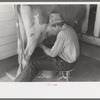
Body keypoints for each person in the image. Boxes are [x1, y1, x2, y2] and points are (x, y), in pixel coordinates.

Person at [15, 13, 80, 82]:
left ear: (57, 25)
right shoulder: (69, 28)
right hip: (72, 60)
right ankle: (27, 74)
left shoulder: (62, 34)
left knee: (33, 64)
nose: (53, 30)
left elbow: (52, 54)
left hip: (65, 63)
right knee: (44, 52)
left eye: (53, 27)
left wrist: (42, 46)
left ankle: (19, 84)